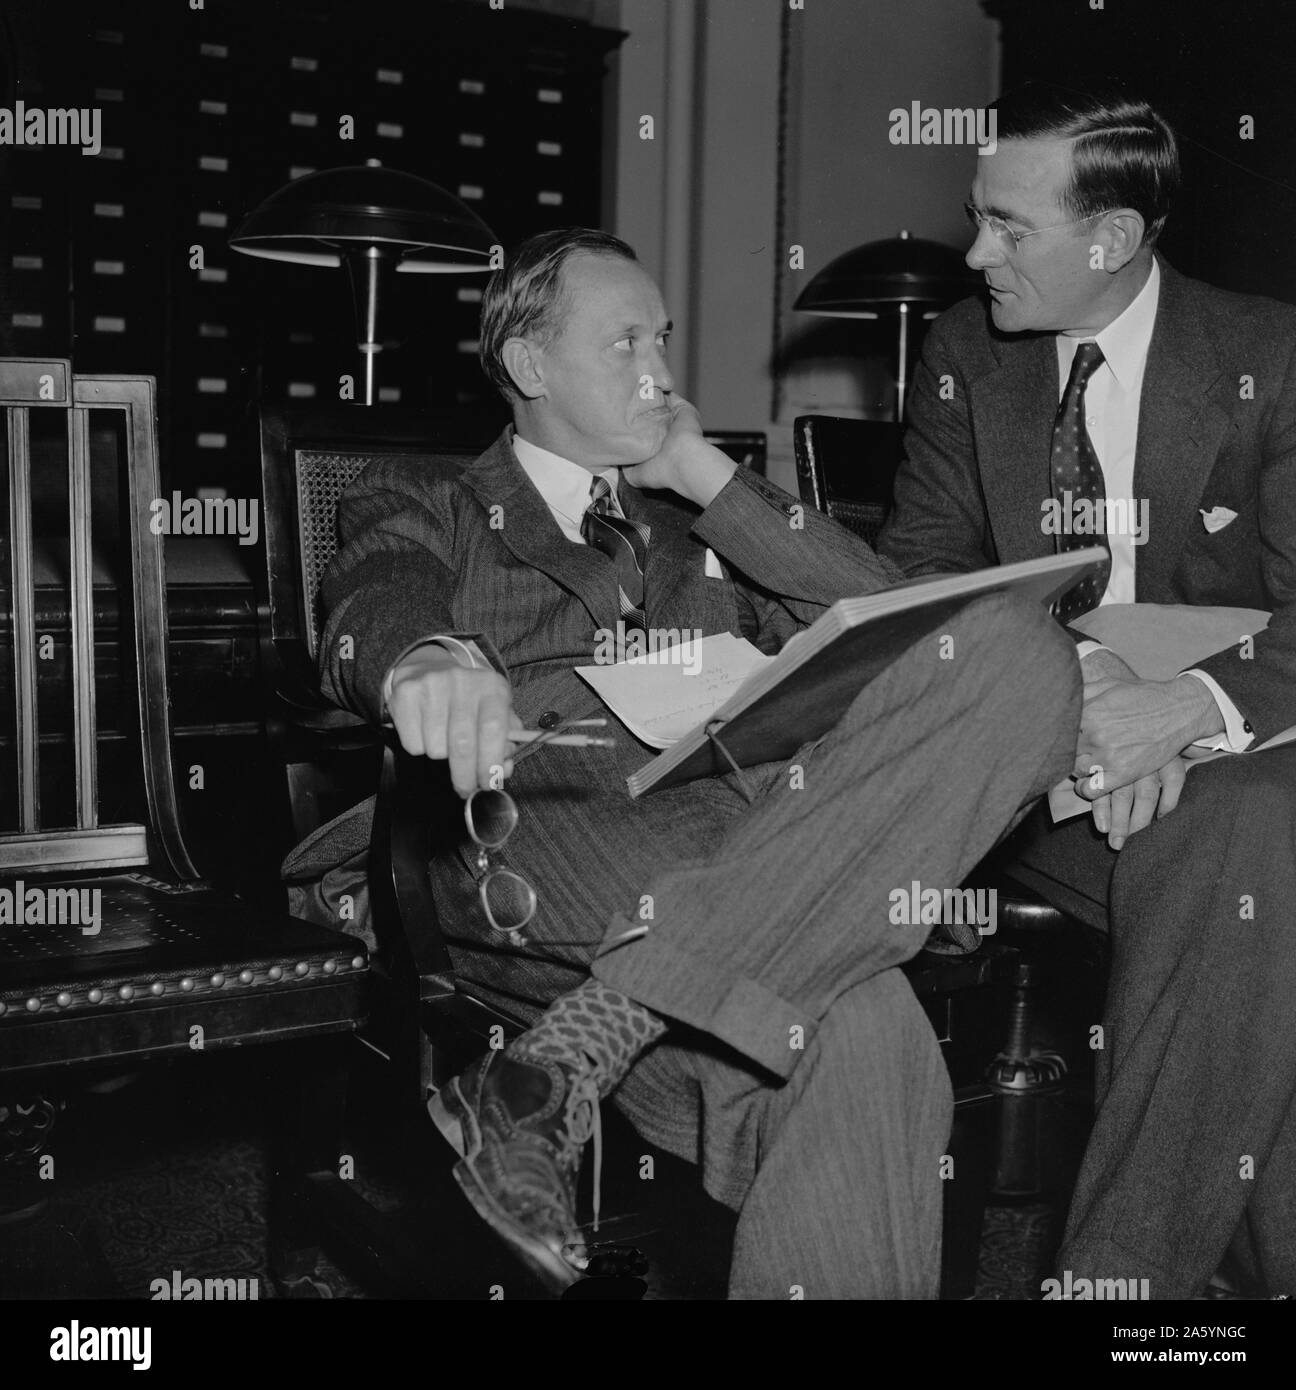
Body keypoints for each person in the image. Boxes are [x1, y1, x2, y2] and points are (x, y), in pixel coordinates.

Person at [316, 226, 1080, 1298]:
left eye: (663, 338)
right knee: (866, 1009)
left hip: (743, 863)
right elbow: (372, 592)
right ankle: (580, 1044)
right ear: (530, 366)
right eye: (625, 341)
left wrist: (705, 472)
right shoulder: (425, 495)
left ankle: (571, 1055)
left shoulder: (704, 519)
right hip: (544, 827)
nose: (662, 370)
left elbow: (906, 630)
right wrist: (428, 659)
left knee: (1018, 651)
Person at [878, 81, 1296, 1299]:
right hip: (1044, 774)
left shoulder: (1270, 356)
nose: (972, 253)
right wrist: (1097, 684)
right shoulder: (966, 355)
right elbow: (927, 581)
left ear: (1111, 240)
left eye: (1009, 228)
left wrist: (1187, 709)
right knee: (1257, 860)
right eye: (977, 217)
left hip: (1250, 758)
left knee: (1245, 827)